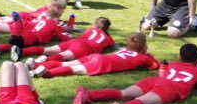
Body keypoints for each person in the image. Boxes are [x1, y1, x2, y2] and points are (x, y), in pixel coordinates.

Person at [74, 43, 197, 104]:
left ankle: (89, 94)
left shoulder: (173, 64)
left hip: (155, 80)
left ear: (179, 56)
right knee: (142, 102)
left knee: (123, 93)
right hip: (170, 88)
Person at [29, 32, 159, 78]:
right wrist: (148, 54)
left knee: (67, 63)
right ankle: (46, 73)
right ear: (143, 45)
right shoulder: (142, 57)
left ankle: (36, 65)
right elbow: (155, 66)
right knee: (73, 70)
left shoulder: (125, 49)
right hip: (103, 63)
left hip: (99, 56)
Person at [12, 16, 114, 62]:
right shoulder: (107, 38)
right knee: (62, 56)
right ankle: (36, 63)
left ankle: (21, 51)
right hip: (85, 47)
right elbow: (111, 44)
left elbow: (85, 35)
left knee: (48, 50)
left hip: (76, 41)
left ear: (95, 25)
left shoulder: (90, 30)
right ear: (108, 28)